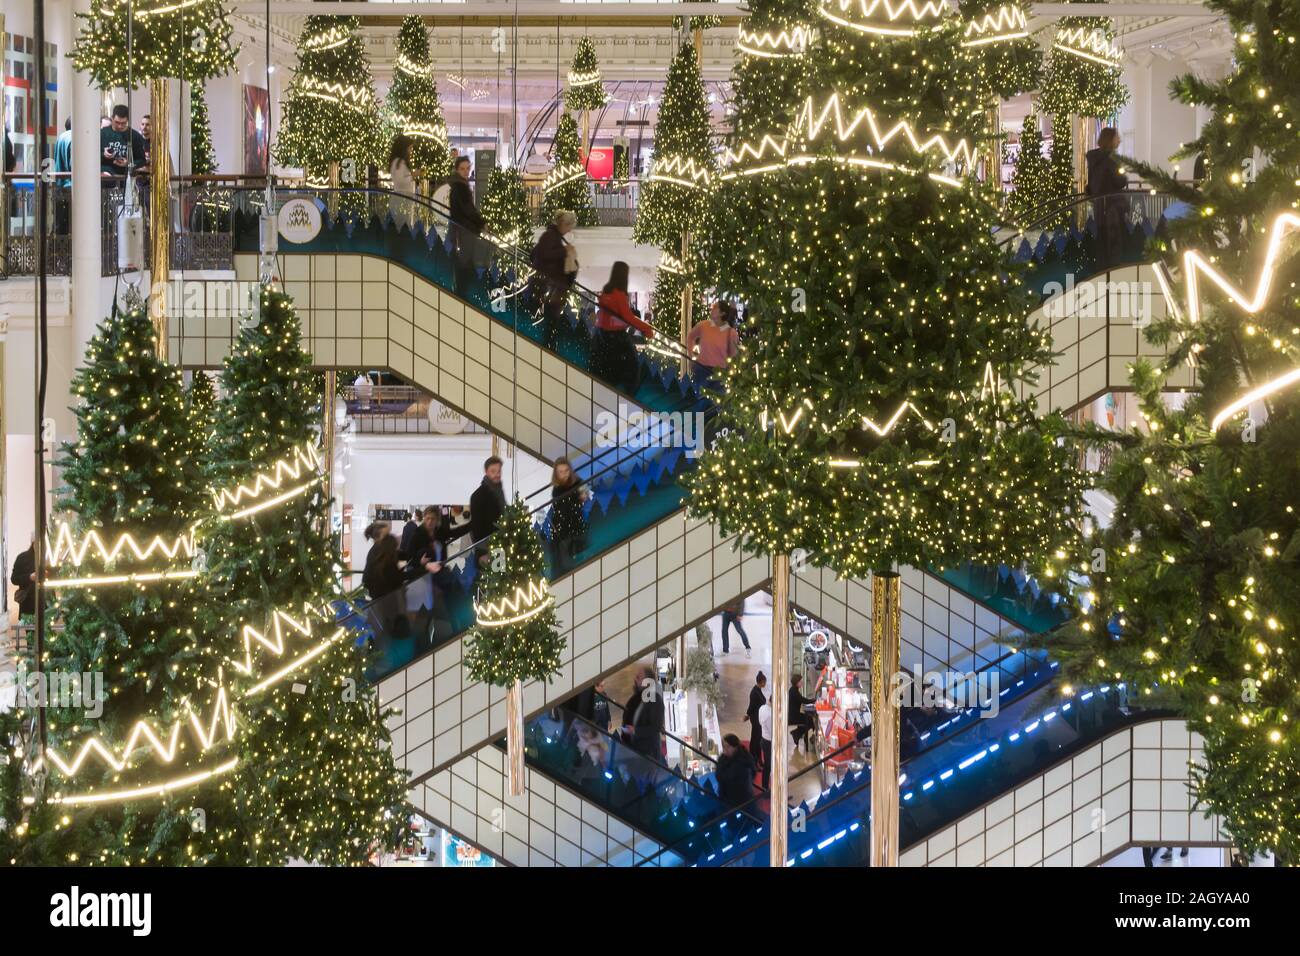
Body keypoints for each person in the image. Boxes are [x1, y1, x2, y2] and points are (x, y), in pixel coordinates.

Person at [593, 260, 655, 393]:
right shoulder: (619, 295)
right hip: (616, 338)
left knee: (607, 369)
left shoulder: (606, 292)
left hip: (601, 335)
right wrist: (647, 329)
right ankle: (629, 396)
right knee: (633, 367)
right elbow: (628, 317)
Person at [530, 210, 579, 345]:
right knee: (550, 321)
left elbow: (535, 254)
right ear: (563, 224)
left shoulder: (552, 236)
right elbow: (543, 254)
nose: (569, 230)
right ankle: (548, 346)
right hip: (551, 288)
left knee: (550, 320)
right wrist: (565, 251)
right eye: (569, 226)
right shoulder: (551, 236)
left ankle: (548, 344)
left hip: (550, 288)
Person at [1086, 127, 1129, 269]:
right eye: (1117, 137)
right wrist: (1124, 176)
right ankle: (1114, 269)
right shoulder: (1112, 160)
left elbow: (1091, 184)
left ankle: (1102, 268)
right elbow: (1119, 182)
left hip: (1099, 205)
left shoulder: (1094, 159)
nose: (1120, 140)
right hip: (1113, 206)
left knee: (1102, 237)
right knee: (1114, 239)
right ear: (1110, 139)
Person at [448, 155, 485, 298]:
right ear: (457, 170)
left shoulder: (459, 185)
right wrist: (481, 223)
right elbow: (468, 209)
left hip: (462, 228)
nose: (466, 171)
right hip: (465, 230)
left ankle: (461, 292)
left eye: (467, 168)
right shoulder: (460, 187)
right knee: (465, 262)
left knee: (464, 261)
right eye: (462, 169)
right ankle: (462, 294)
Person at [686, 300, 740, 390]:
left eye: (715, 307)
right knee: (699, 400)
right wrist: (691, 357)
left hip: (719, 375)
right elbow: (690, 337)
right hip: (701, 369)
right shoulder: (704, 325)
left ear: (722, 313)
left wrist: (730, 374)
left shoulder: (731, 333)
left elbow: (733, 357)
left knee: (715, 402)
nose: (712, 309)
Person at [549, 456, 587, 574]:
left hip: (575, 523)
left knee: (578, 555)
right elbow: (557, 508)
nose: (564, 474)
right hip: (561, 526)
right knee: (561, 555)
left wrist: (582, 496)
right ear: (556, 473)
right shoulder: (556, 489)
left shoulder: (578, 482)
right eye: (561, 472)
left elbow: (583, 495)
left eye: (566, 471)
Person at [469, 456, 507, 565]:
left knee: (501, 578)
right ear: (486, 472)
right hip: (488, 549)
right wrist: (483, 552)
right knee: (492, 579)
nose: (497, 474)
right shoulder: (478, 496)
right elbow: (476, 526)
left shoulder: (499, 491)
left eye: (499, 471)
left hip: (500, 544)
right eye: (493, 471)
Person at [101, 104, 148, 181]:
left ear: (127, 120)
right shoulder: (102, 133)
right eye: (117, 122)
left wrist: (128, 163)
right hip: (106, 175)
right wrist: (104, 154)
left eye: (123, 123)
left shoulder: (135, 136)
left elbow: (142, 160)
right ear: (112, 118)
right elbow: (93, 156)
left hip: (126, 177)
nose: (120, 126)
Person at [630, 668, 665, 762]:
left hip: (648, 753)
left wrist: (635, 731)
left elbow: (655, 727)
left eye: (638, 677)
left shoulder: (655, 701)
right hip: (638, 750)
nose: (635, 679)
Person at [362, 525, 404, 601]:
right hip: (382, 599)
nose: (390, 536)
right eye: (387, 535)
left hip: (383, 596)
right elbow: (396, 576)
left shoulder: (384, 551)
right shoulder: (377, 554)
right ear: (377, 537)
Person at [716, 733, 757, 807]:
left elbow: (724, 777)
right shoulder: (724, 758)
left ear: (735, 747)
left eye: (728, 746)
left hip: (740, 799)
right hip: (728, 796)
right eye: (724, 746)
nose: (725, 749)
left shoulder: (743, 761)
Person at [388, 135, 416, 231]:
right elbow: (400, 182)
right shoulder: (399, 162)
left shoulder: (399, 162)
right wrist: (413, 175)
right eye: (410, 148)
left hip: (403, 200)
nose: (411, 151)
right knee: (402, 226)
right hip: (401, 200)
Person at [744, 671, 768, 779]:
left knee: (757, 740)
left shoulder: (758, 690)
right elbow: (751, 706)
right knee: (755, 740)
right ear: (761, 681)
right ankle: (754, 761)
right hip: (756, 719)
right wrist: (747, 715)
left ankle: (758, 760)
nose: (765, 684)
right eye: (765, 682)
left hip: (758, 718)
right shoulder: (754, 692)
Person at [53, 117, 73, 236]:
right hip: (71, 185)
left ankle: (58, 252)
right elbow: (73, 164)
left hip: (60, 185)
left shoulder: (61, 137)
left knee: (61, 223)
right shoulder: (74, 137)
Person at [789, 674, 816, 753]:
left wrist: (811, 700)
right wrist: (813, 700)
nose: (802, 683)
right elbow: (803, 700)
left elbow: (801, 700)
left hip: (793, 714)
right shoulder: (794, 692)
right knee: (810, 720)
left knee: (809, 719)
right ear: (797, 683)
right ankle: (797, 733)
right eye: (801, 681)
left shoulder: (793, 689)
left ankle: (797, 733)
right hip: (793, 716)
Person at [10, 538, 37, 618]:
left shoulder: (48, 558)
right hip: (28, 603)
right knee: (30, 629)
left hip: (46, 603)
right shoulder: (22, 558)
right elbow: (14, 579)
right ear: (33, 543)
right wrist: (29, 577)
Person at [757, 689, 774, 789]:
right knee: (768, 766)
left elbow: (760, 722)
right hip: (769, 742)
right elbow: (773, 732)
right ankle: (765, 787)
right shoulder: (770, 715)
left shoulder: (762, 708)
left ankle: (765, 786)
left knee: (768, 765)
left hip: (763, 739)